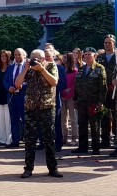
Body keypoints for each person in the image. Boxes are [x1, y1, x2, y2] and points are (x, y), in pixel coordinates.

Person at [14, 49, 62, 178]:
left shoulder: (51, 66)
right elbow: (17, 84)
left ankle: (53, 168)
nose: (36, 61)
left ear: (43, 59)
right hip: (31, 108)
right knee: (30, 140)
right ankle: (28, 168)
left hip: (47, 107)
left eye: (39, 58)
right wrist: (25, 69)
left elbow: (54, 82)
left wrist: (42, 69)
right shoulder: (28, 69)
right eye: (33, 58)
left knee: (49, 139)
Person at [73, 47, 106, 155]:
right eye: (85, 54)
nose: (87, 56)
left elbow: (103, 87)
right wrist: (75, 99)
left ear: (95, 56)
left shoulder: (99, 68)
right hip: (82, 102)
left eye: (89, 54)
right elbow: (76, 85)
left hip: (93, 102)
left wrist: (101, 102)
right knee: (81, 125)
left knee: (94, 126)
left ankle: (96, 148)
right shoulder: (81, 69)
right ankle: (83, 147)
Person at [96, 35, 117, 148]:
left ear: (114, 43)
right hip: (104, 90)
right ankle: (105, 140)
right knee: (104, 115)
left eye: (110, 42)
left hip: (116, 90)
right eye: (105, 42)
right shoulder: (99, 57)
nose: (107, 44)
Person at [4, 48, 27, 148]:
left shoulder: (28, 67)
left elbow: (31, 81)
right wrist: (9, 87)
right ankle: (15, 140)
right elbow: (5, 80)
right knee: (14, 119)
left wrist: (23, 86)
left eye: (19, 54)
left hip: (23, 96)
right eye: (16, 54)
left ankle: (28, 140)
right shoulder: (10, 67)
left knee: (26, 119)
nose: (17, 56)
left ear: (24, 55)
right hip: (12, 96)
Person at [0, 50, 12, 146]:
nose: (3, 58)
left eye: (5, 56)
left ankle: (9, 139)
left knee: (8, 118)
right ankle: (1, 138)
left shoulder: (11, 67)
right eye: (2, 56)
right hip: (0, 93)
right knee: (0, 117)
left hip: (9, 93)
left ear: (8, 57)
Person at [61, 52, 78, 146]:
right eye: (63, 58)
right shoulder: (61, 70)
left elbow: (76, 85)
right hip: (62, 96)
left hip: (71, 97)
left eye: (66, 58)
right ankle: (64, 137)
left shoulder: (75, 71)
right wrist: (62, 92)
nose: (64, 59)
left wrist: (69, 92)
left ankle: (74, 138)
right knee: (63, 119)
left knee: (73, 119)